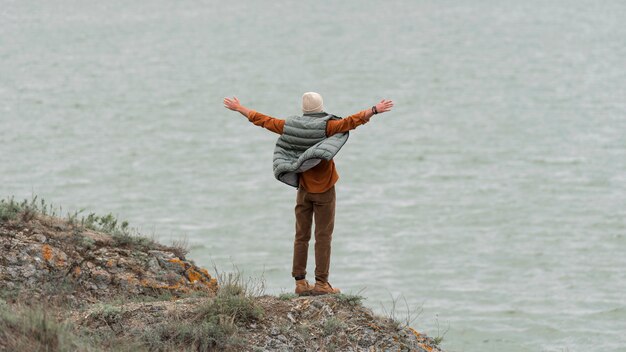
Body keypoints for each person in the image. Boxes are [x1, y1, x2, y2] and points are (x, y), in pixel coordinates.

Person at [223, 92, 394, 295]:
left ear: (304, 109)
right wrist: (374, 110)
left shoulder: (290, 126)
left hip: (303, 189)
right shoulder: (327, 126)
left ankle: (300, 282)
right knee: (323, 237)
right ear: (321, 107)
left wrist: (240, 108)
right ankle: (321, 283)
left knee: (301, 236)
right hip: (325, 190)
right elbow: (351, 121)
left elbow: (264, 121)